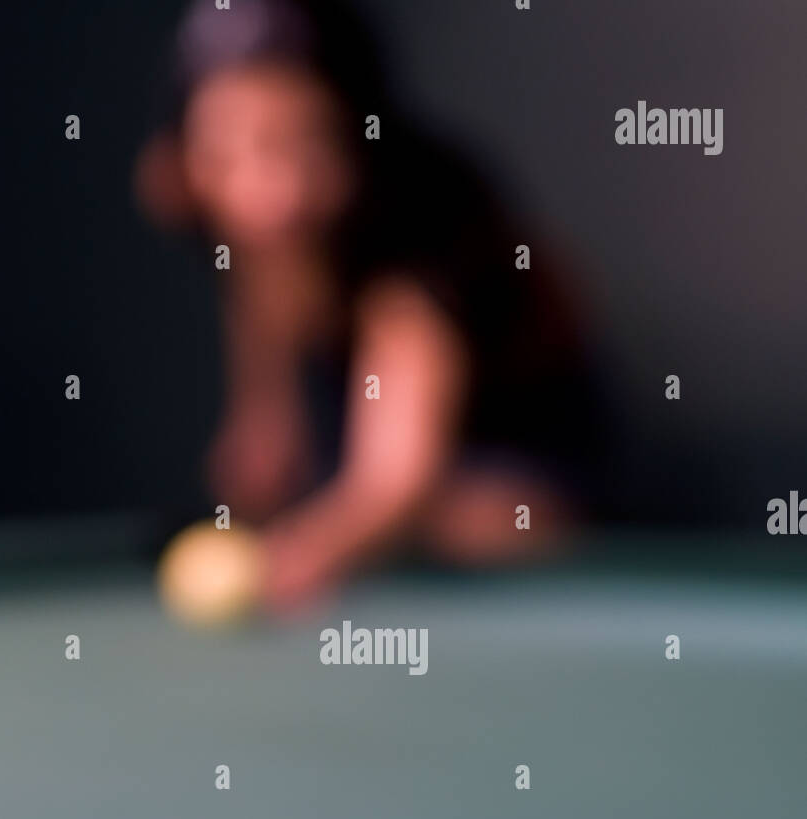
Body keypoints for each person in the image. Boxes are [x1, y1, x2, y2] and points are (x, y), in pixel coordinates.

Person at [135, 0, 606, 610]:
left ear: (359, 134)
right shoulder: (189, 190)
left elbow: (396, 479)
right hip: (375, 431)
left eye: (305, 143)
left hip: (530, 447)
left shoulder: (424, 218)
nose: (270, 195)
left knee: (473, 522)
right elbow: (254, 265)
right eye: (229, 149)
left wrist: (295, 556)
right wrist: (266, 413)